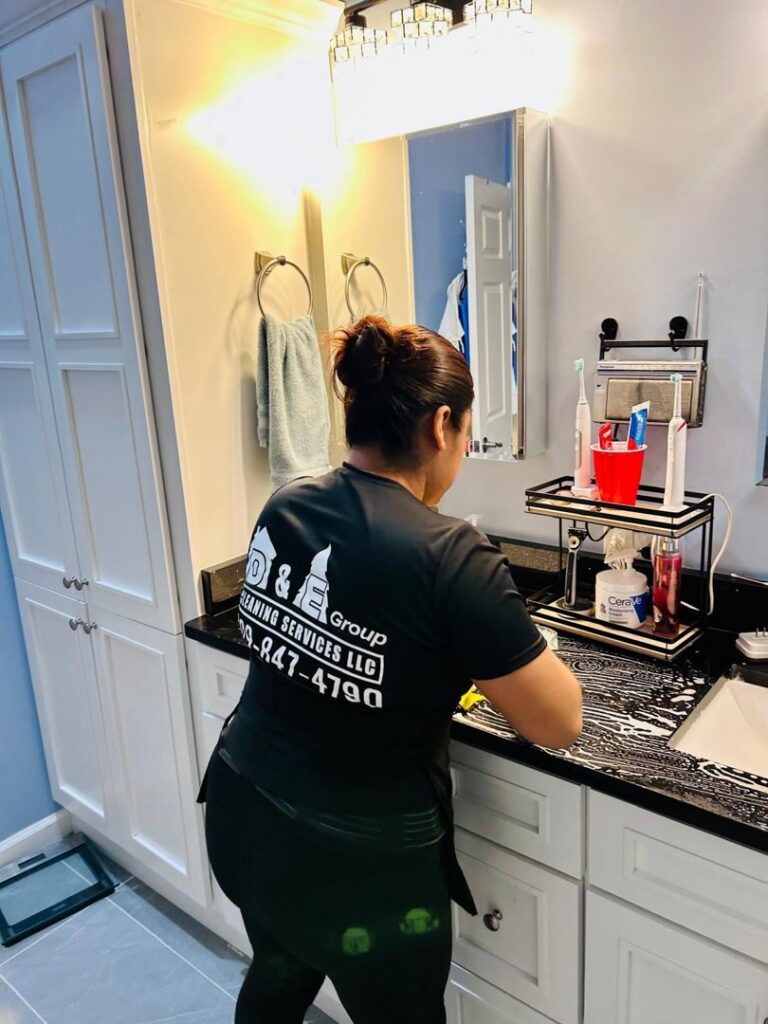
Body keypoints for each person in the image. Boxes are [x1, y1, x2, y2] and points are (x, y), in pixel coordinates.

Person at [200, 315, 583, 1024]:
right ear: (442, 426)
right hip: (360, 876)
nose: (463, 449)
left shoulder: (287, 505)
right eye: (467, 434)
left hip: (243, 813)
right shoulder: (452, 555)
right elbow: (559, 722)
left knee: (280, 974)